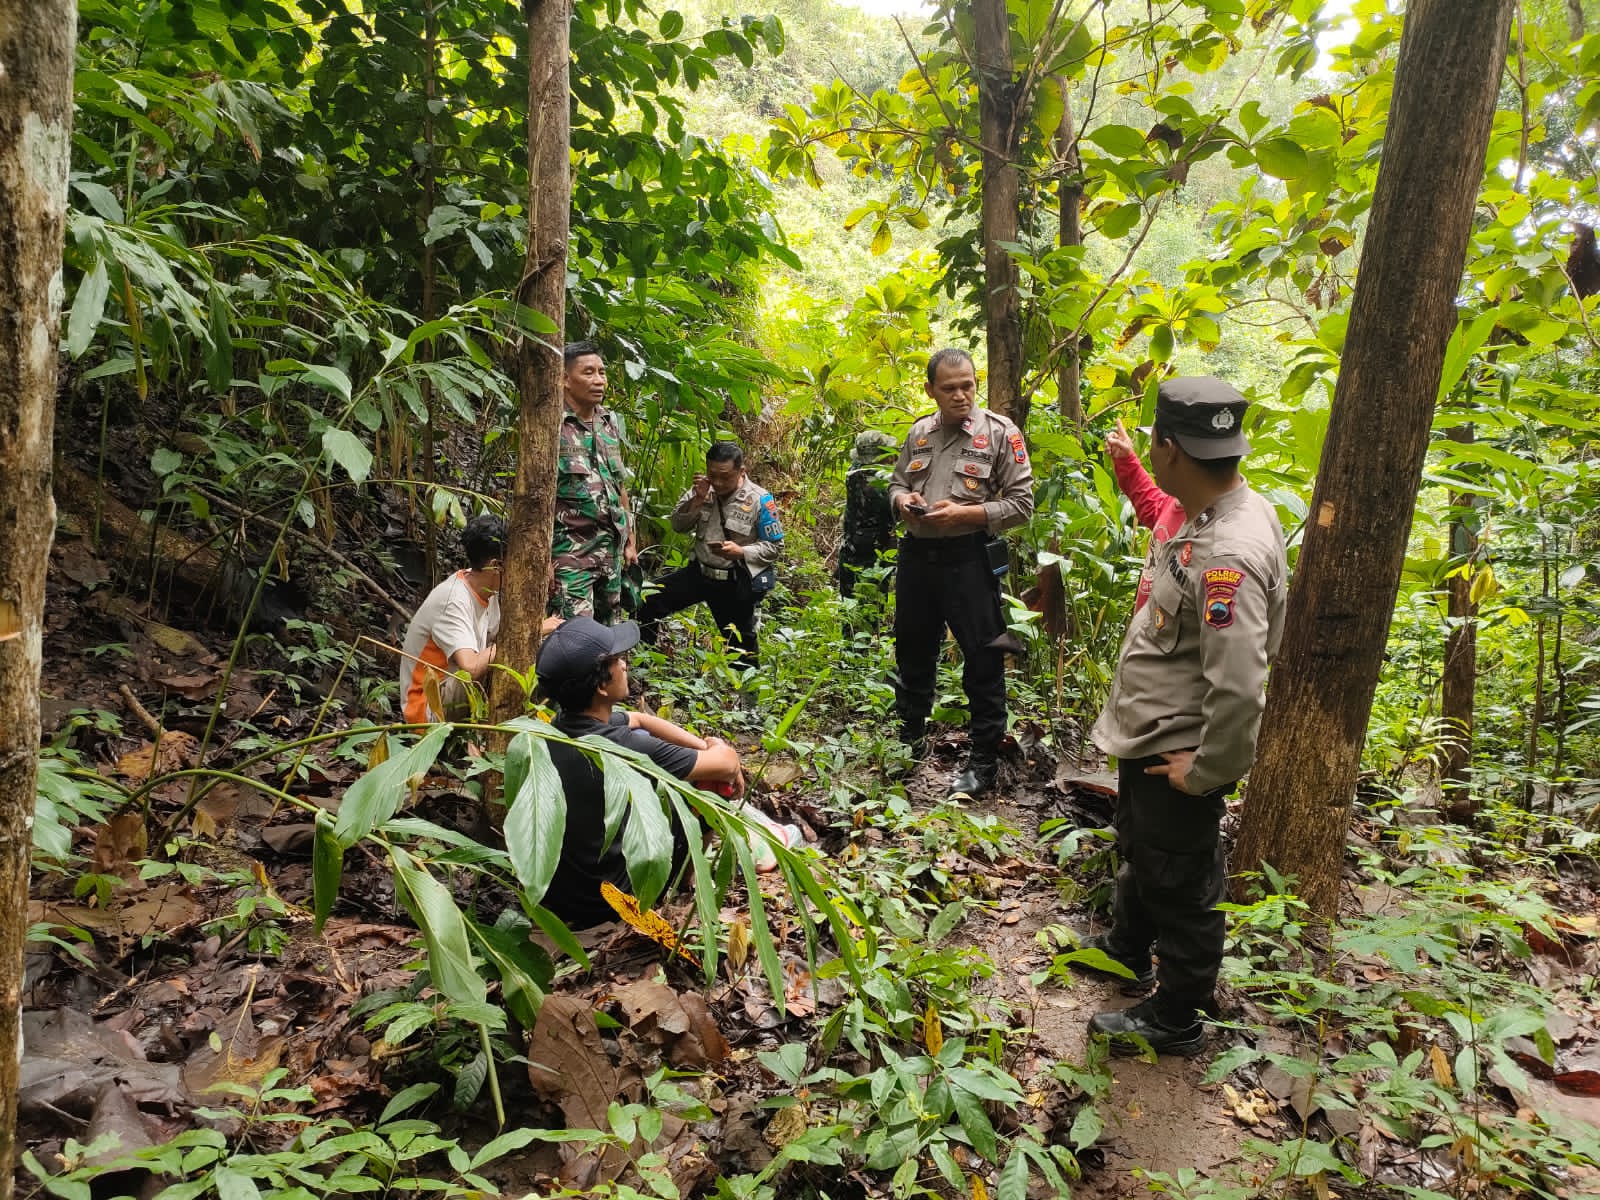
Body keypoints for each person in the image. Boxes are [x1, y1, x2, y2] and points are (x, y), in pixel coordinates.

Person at [1081, 377, 1287, 1057]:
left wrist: (1205, 772)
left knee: (1182, 880)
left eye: (1152, 442)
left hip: (1178, 748)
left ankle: (1176, 1016)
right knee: (1143, 849)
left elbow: (1239, 686)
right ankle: (1127, 952)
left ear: (1169, 449)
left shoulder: (1228, 553)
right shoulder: (1207, 515)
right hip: (1150, 732)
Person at [887, 348, 1034, 798]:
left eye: (967, 385)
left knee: (983, 658)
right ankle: (908, 741)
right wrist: (901, 502)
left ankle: (983, 760)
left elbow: (1022, 506)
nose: (960, 395)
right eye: (949, 388)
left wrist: (966, 516)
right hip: (917, 558)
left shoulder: (1000, 434)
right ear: (930, 389)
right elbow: (896, 483)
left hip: (969, 560)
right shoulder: (919, 432)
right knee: (912, 650)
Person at [535, 616, 744, 929]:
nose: (625, 665)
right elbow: (727, 764)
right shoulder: (624, 747)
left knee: (658, 744)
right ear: (602, 686)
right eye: (618, 661)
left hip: (562, 897)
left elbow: (640, 720)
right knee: (713, 783)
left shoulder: (557, 729)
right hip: (611, 902)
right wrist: (716, 748)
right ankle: (689, 880)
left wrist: (700, 747)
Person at [638, 441, 784, 668]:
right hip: (699, 573)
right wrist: (697, 499)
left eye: (724, 477)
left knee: (741, 650)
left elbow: (775, 546)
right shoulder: (702, 490)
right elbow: (678, 525)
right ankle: (644, 668)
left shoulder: (760, 500)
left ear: (741, 471)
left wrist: (741, 552)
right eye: (711, 474)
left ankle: (746, 701)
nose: (717, 482)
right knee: (647, 600)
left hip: (734, 582)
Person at [552, 341, 638, 623]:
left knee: (609, 634)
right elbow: (538, 496)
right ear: (565, 379)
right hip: (570, 556)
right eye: (588, 372)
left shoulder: (608, 422)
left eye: (602, 372)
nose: (599, 380)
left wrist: (630, 542)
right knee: (575, 636)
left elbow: (619, 485)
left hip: (610, 554)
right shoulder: (552, 425)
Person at [397, 515, 505, 723]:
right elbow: (471, 667)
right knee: (503, 660)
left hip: (450, 691)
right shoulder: (453, 599)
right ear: (496, 565)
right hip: (427, 708)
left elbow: (496, 633)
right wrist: (519, 640)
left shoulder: (486, 590)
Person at [1106, 417, 1186, 614]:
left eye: (1153, 444)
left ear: (1171, 451)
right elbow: (1153, 506)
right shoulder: (1181, 502)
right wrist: (1127, 461)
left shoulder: (1217, 530)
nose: (1150, 453)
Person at [838, 430, 899, 600]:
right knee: (868, 605)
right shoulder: (881, 483)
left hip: (851, 548)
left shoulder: (854, 472)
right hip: (872, 554)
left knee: (851, 605)